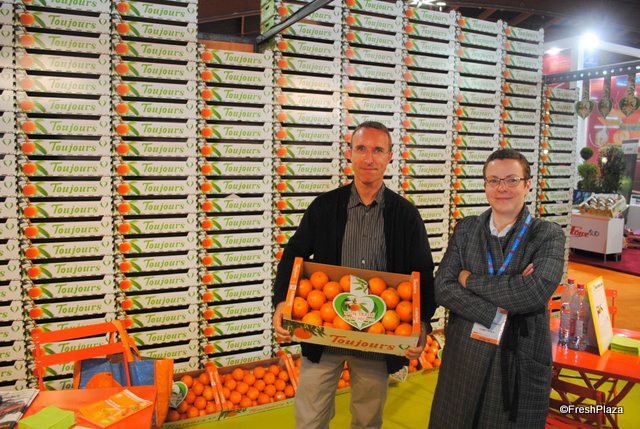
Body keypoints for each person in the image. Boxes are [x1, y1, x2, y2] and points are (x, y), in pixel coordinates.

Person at [272, 121, 436, 429]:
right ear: (349, 153)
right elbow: (293, 253)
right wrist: (283, 301)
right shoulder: (324, 207)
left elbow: (423, 273)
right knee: (309, 418)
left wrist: (422, 324)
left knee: (367, 419)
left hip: (378, 336)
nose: (368, 158)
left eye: (378, 150)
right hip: (323, 330)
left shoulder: (405, 215)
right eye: (361, 148)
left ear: (390, 156)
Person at [429, 148, 565, 428]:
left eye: (512, 180)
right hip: (465, 352)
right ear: (485, 186)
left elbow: (533, 293)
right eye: (493, 180)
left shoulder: (548, 235)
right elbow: (442, 287)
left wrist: (468, 280)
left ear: (527, 184)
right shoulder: (466, 229)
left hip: (518, 357)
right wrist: (496, 311)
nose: (502, 188)